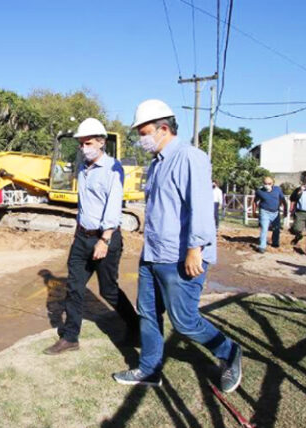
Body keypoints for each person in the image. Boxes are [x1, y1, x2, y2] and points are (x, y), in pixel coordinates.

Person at [111, 100, 242, 393]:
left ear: (164, 129)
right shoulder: (157, 165)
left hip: (181, 257)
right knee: (147, 313)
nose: (141, 139)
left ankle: (229, 352)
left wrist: (196, 248)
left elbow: (200, 206)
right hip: (153, 254)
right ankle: (150, 368)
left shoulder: (189, 157)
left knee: (184, 321)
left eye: (144, 132)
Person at [43, 118, 140, 355]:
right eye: (80, 144)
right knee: (74, 287)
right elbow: (84, 205)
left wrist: (105, 239)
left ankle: (136, 326)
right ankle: (70, 337)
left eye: (87, 143)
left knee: (109, 290)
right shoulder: (82, 169)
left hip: (104, 238)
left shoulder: (113, 169)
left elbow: (113, 206)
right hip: (82, 238)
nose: (82, 148)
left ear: (100, 142)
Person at [253, 176, 287, 253]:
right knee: (264, 228)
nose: (267, 185)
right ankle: (262, 246)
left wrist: (285, 210)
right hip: (264, 212)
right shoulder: (259, 191)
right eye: (265, 183)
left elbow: (283, 200)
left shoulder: (277, 189)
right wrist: (254, 212)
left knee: (276, 229)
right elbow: (255, 202)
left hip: (275, 212)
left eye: (269, 183)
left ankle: (275, 243)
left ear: (273, 183)